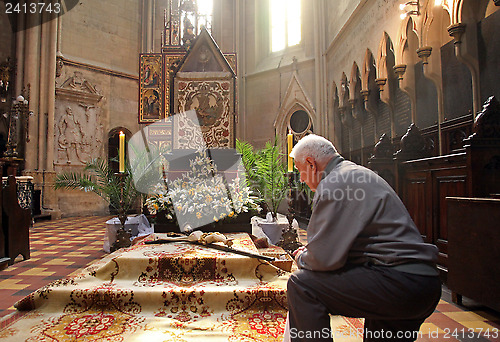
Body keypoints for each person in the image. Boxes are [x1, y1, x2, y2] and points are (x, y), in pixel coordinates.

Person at [286, 134, 441, 342]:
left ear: (311, 164)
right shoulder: (358, 173)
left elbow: (322, 260)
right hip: (422, 283)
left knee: (302, 285)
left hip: (397, 282)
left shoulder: (334, 183)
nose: (302, 179)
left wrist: (301, 257)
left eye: (300, 171)